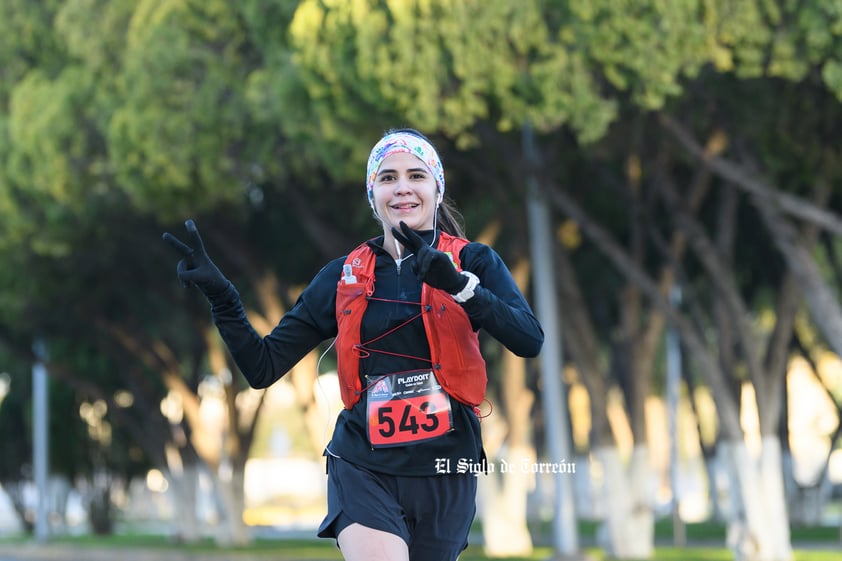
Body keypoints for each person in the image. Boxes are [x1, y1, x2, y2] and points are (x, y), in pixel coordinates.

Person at [163, 128, 544, 561]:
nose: (402, 187)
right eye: (388, 178)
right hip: (363, 463)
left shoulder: (473, 261)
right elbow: (262, 367)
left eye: (416, 175)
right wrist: (223, 299)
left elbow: (529, 339)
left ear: (436, 189)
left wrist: (459, 287)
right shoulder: (342, 275)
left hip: (446, 469)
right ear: (373, 194)